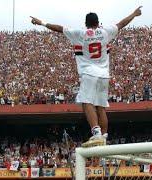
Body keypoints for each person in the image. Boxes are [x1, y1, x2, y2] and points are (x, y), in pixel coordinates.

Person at [30, 6, 143, 147]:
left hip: (89, 73)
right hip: (104, 74)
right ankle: (104, 136)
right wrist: (134, 13)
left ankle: (96, 133)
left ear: (86, 23)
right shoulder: (106, 32)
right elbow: (121, 24)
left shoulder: (80, 33)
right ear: (98, 22)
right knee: (101, 106)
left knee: (86, 102)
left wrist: (41, 22)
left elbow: (59, 28)